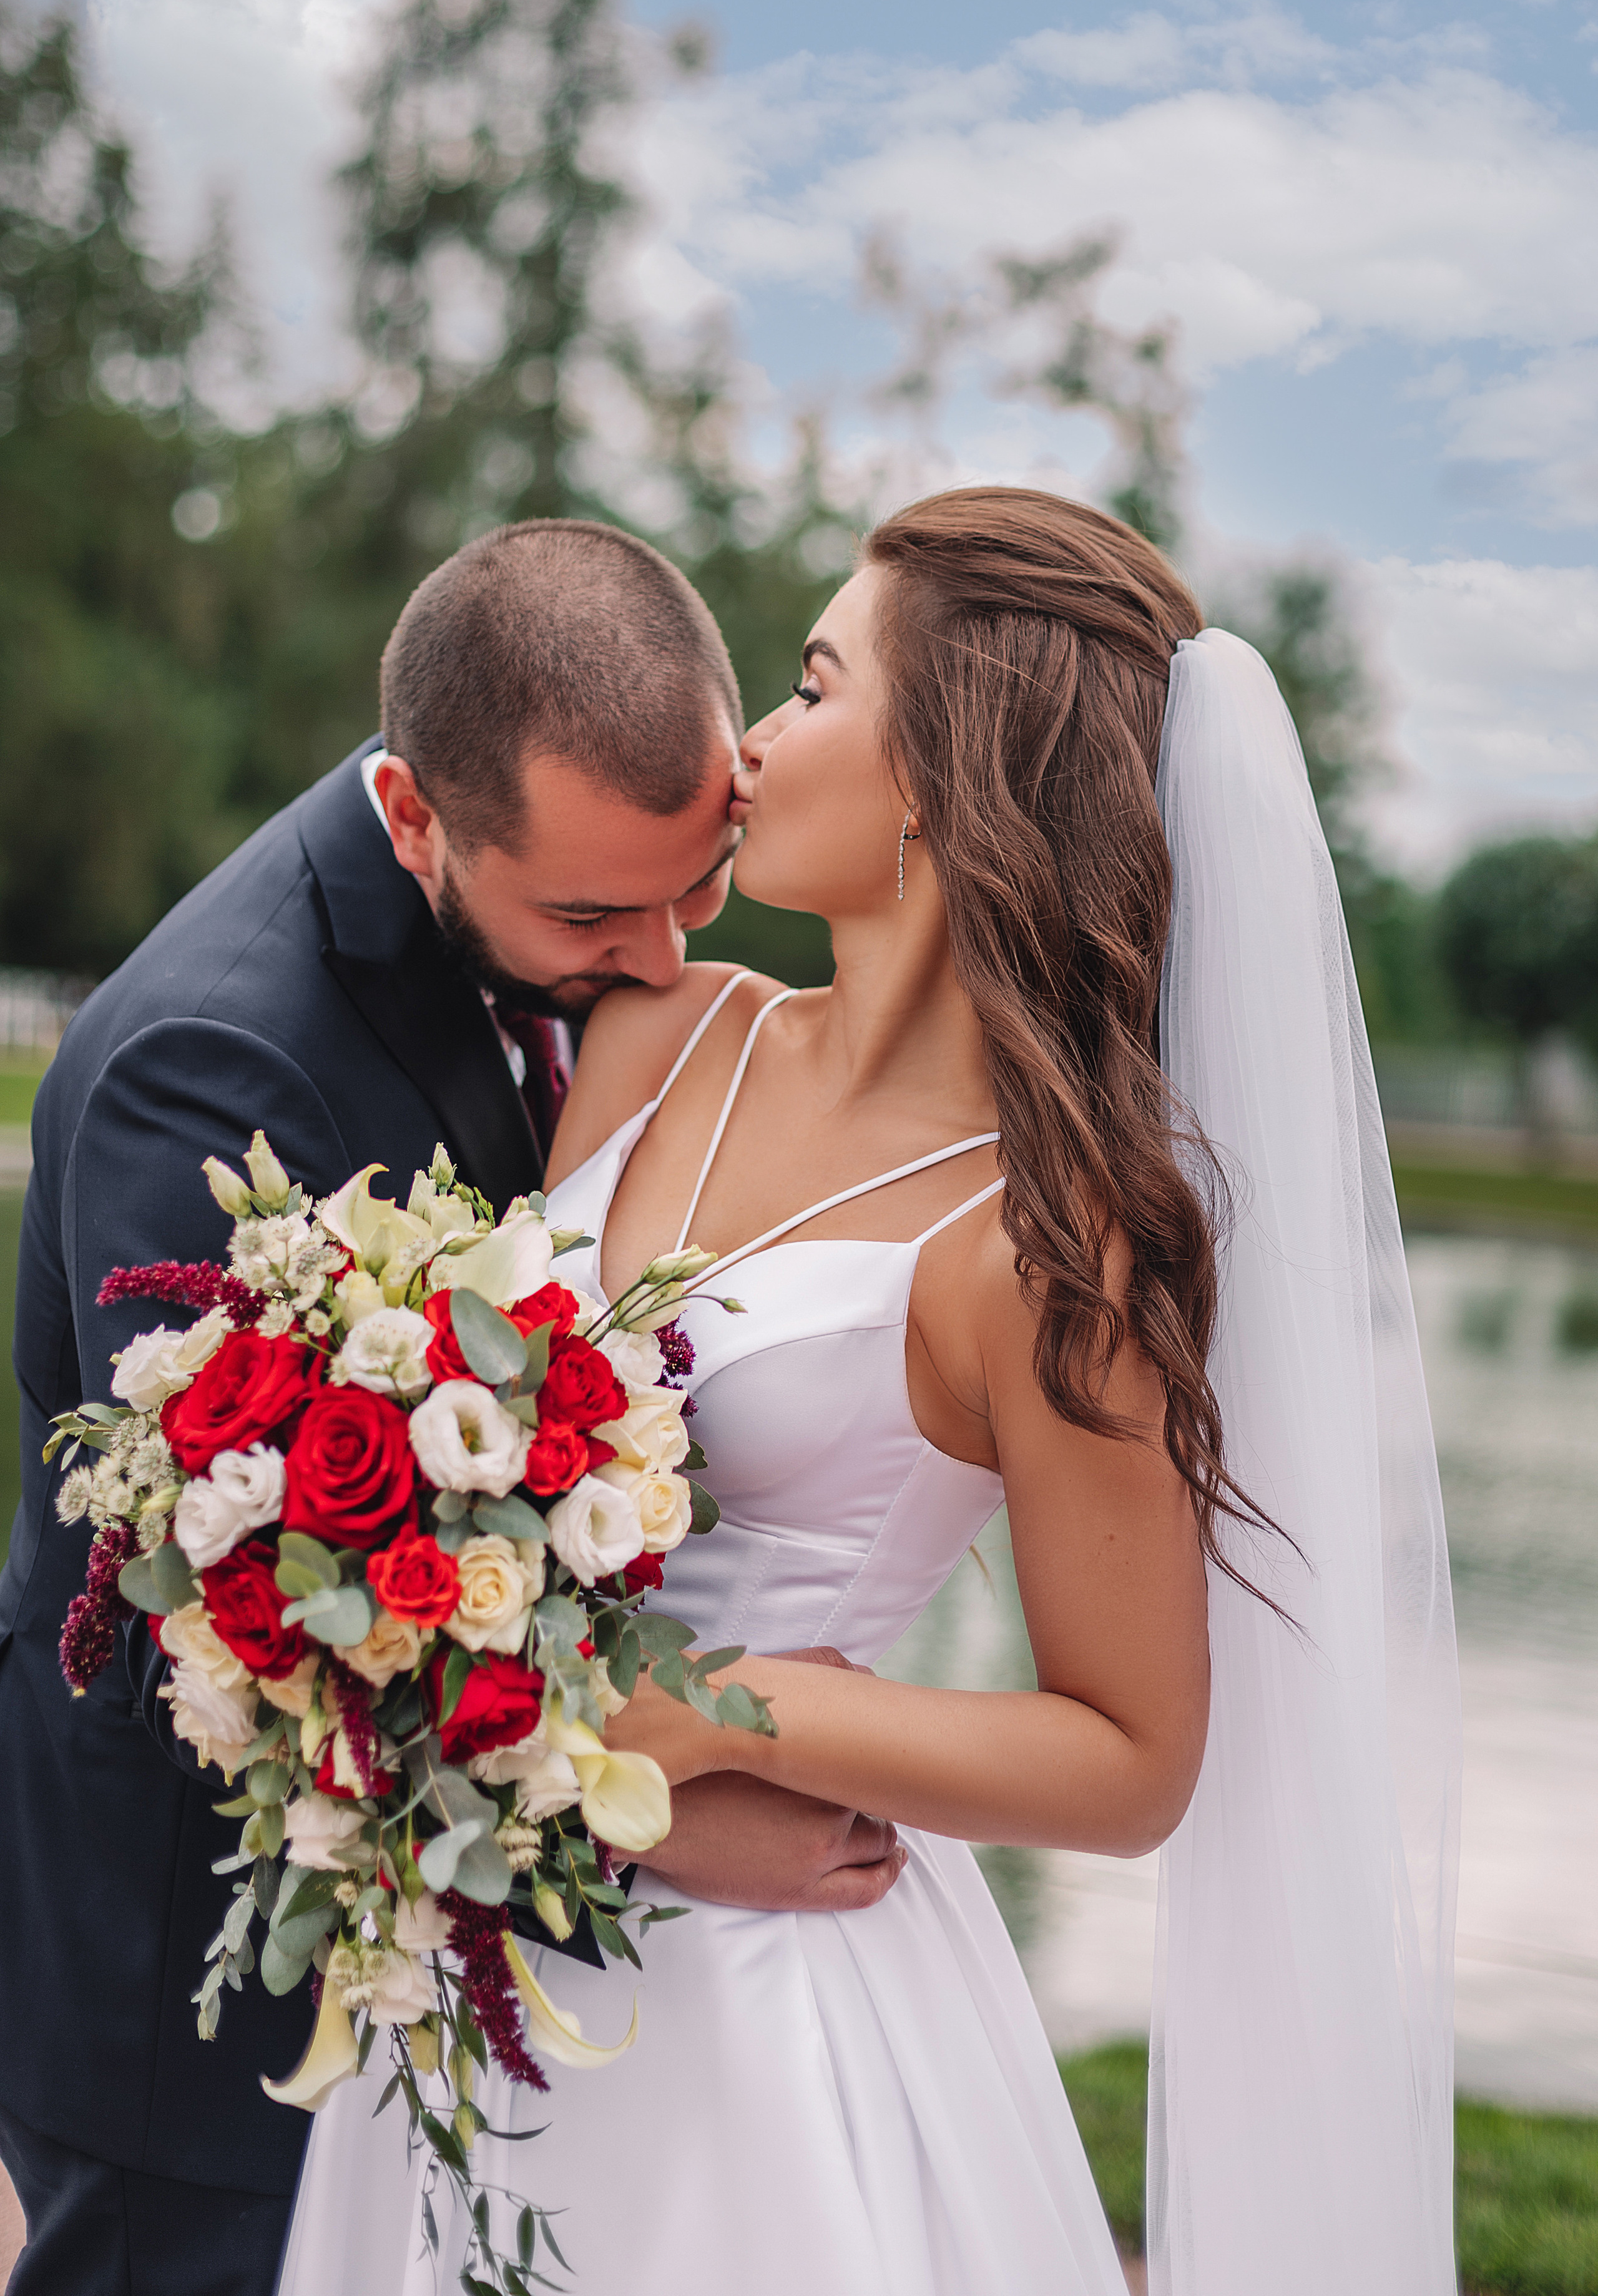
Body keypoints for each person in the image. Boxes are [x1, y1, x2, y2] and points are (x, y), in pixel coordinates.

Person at [282, 487, 1461, 2296]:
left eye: (816, 687)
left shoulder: (1046, 1252)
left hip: (766, 2015)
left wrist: (721, 1716)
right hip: (483, 1939)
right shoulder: (666, 1033)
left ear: (938, 783)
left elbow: (1133, 1760)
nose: (751, 741)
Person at [1, 520, 905, 2296]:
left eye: (695, 883)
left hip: (458, 1933)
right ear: (414, 814)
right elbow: (245, 1598)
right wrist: (660, 1798)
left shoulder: (559, 950)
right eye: (587, 913)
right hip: (196, 1958)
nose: (658, 962)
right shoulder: (219, 1057)